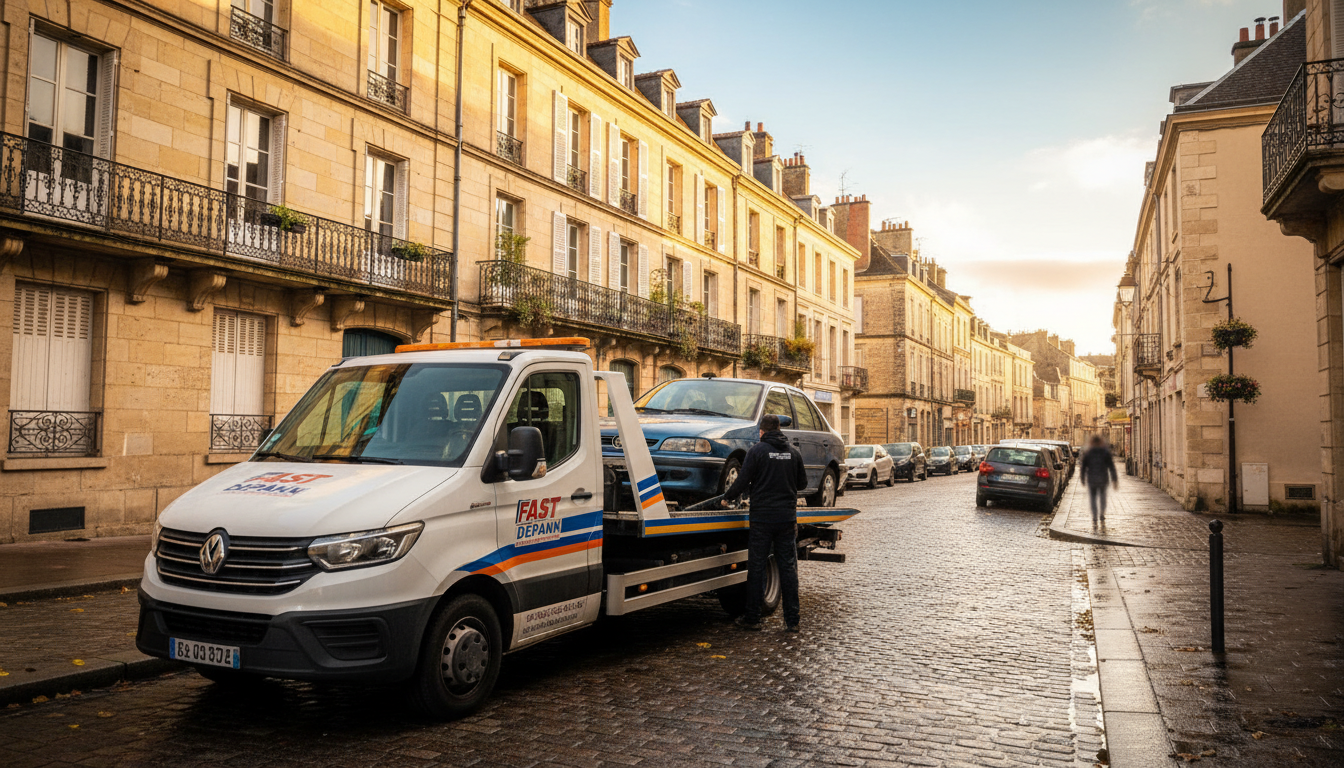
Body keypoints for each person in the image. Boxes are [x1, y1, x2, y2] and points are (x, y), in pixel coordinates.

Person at [720, 413, 806, 632]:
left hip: (762, 519)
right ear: (779, 430)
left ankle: (753, 617)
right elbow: (802, 483)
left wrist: (727, 497)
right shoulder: (793, 453)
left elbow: (742, 480)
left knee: (757, 567)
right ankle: (792, 620)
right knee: (788, 568)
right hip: (787, 519)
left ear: (762, 432)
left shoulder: (756, 451)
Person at [1079, 435, 1119, 525]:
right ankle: (1101, 513)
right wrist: (1114, 479)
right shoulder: (1105, 452)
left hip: (1092, 479)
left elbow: (1083, 467)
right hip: (1103, 479)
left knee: (1093, 498)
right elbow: (1111, 467)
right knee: (1102, 497)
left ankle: (1094, 516)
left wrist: (1082, 478)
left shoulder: (1088, 453)